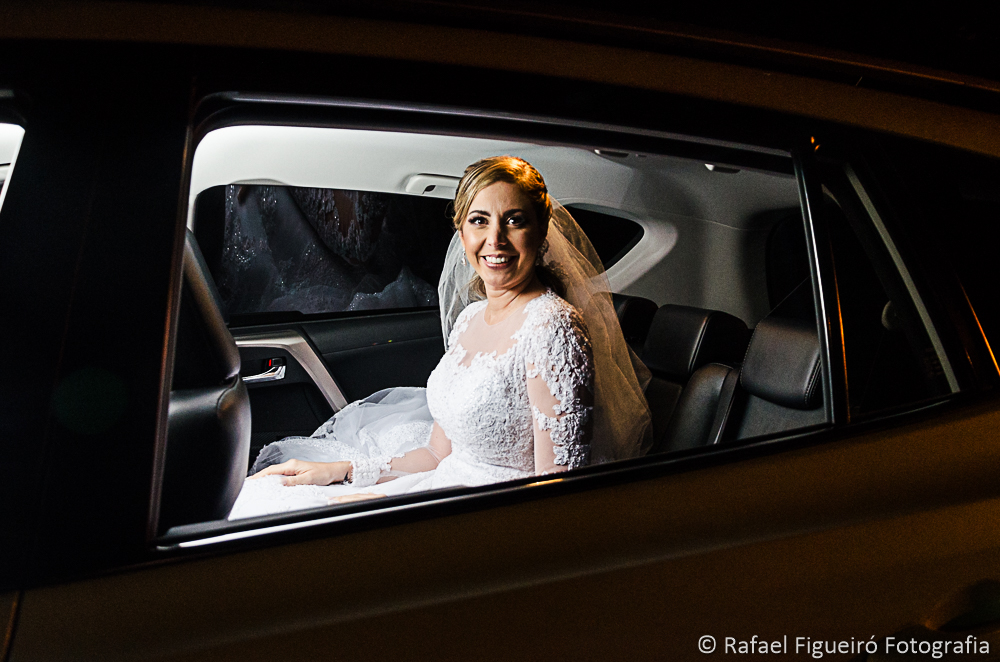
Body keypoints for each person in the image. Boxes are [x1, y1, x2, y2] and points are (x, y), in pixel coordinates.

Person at [228, 156, 651, 519]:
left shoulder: (553, 329)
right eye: (479, 221)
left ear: (541, 233)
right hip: (439, 486)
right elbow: (436, 455)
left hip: (487, 519)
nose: (495, 240)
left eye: (514, 221)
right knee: (269, 499)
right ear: (462, 232)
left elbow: (559, 496)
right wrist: (340, 471)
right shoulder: (470, 319)